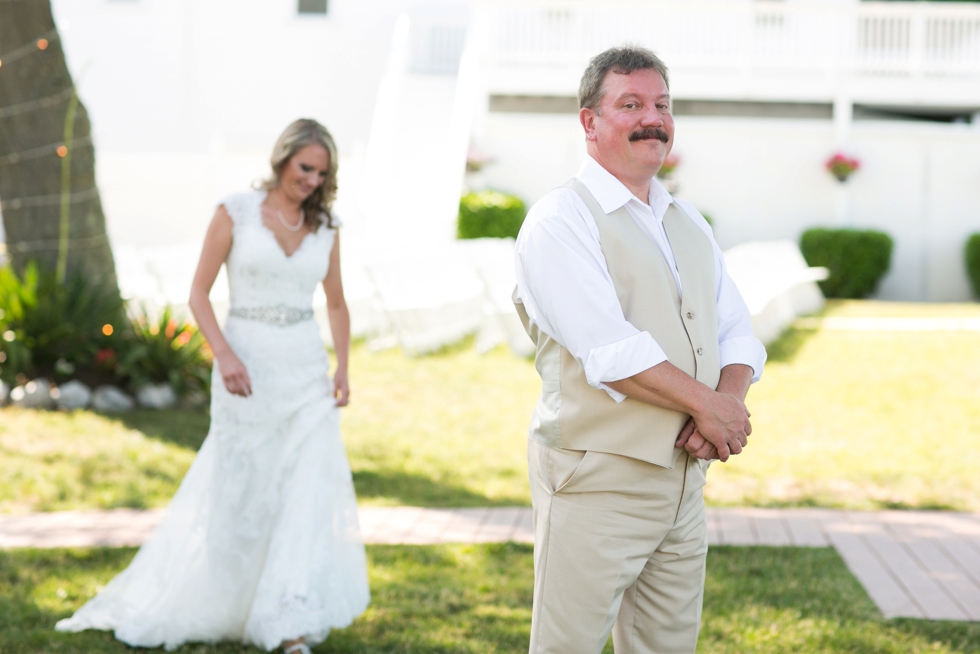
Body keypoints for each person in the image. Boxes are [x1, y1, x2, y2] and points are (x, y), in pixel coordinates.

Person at [56, 119, 370, 654]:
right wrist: (223, 354)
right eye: (304, 168)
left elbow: (336, 303)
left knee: (303, 491)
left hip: (304, 375)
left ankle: (287, 621)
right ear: (282, 160)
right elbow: (198, 293)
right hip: (244, 369)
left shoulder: (327, 227)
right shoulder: (235, 213)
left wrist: (342, 368)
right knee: (242, 489)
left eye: (321, 173)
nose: (311, 180)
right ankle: (228, 601)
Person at [514, 46, 767, 654]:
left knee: (666, 646)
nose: (652, 118)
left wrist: (724, 407)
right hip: (595, 477)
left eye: (661, 104)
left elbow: (737, 332)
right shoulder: (560, 219)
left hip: (684, 480)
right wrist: (710, 407)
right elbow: (610, 352)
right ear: (590, 122)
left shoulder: (688, 220)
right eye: (630, 104)